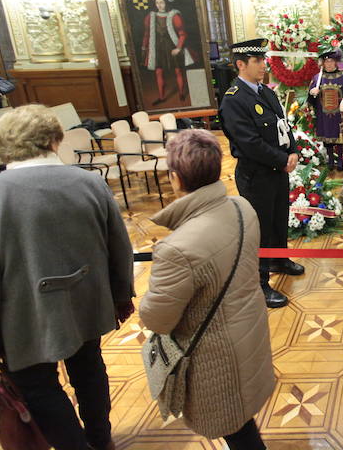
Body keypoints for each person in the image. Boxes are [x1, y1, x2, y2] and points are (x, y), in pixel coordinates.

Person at [0, 104, 134, 450]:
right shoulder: (90, 182)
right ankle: (101, 441)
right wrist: (121, 296)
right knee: (89, 371)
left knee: (39, 388)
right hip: (88, 303)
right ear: (56, 140)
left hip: (23, 320)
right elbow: (119, 245)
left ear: (2, 146)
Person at [139, 130, 275, 450]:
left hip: (216, 359)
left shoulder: (177, 248)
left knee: (238, 432)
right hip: (249, 332)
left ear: (175, 178)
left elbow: (157, 320)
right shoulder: (242, 208)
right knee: (241, 424)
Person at [219, 38, 303, 309]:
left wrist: (293, 150)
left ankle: (279, 260)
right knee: (260, 228)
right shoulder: (234, 100)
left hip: (278, 170)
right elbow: (249, 143)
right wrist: (282, 159)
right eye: (257, 61)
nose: (264, 65)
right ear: (241, 64)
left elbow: (283, 125)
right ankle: (260, 283)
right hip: (257, 175)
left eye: (263, 60)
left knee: (279, 218)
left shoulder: (265, 92)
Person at [308, 48, 343, 171]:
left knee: (339, 137)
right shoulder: (316, 78)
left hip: (339, 115)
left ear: (336, 62)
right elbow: (311, 99)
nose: (328, 64)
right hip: (323, 114)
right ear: (323, 63)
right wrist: (312, 93)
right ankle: (330, 159)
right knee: (327, 138)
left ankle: (340, 160)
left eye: (331, 61)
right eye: (326, 62)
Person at [142, 0, 192, 106]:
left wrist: (178, 48)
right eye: (157, 3)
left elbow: (182, 34)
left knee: (178, 70)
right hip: (158, 48)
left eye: (162, 2)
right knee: (159, 72)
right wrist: (144, 47)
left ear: (166, 3)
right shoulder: (151, 17)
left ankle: (181, 94)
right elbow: (147, 33)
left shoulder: (174, 16)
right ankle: (161, 96)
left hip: (172, 47)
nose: (159, 5)